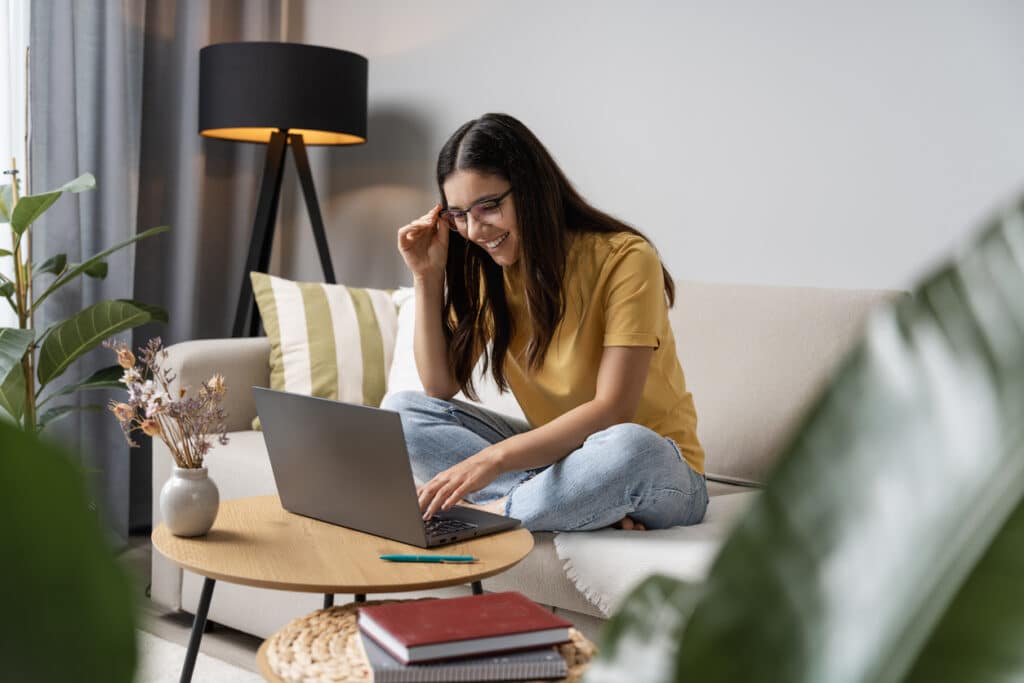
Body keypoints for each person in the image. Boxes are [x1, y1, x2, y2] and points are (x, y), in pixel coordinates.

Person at [381, 113, 707, 533]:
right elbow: (439, 386)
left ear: (531, 190)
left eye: (489, 206)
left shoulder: (625, 258)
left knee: (630, 446)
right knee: (402, 413)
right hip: (562, 462)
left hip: (662, 471)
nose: (476, 230)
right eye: (459, 214)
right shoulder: (489, 271)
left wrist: (493, 458)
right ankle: (577, 502)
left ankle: (495, 515)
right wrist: (426, 276)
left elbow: (614, 410)